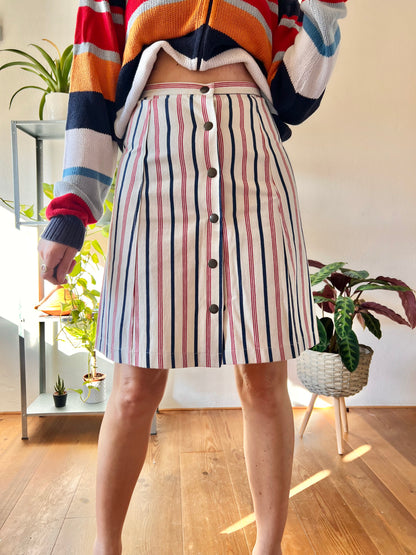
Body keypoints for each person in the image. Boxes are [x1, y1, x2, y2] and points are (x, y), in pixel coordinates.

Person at [38, 1, 347, 553]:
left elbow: (294, 100)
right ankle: (106, 548)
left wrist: (327, 8)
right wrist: (73, 204)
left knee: (264, 379)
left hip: (253, 158)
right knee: (134, 388)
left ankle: (269, 547)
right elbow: (94, 76)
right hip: (153, 153)